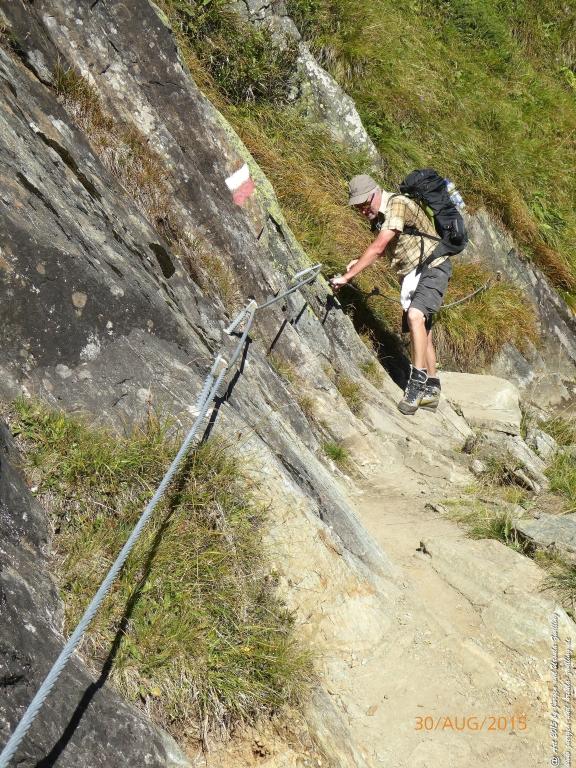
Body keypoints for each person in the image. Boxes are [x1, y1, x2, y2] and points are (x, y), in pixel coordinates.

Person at [330, 174, 452, 415]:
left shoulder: (396, 204)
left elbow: (378, 247)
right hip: (413, 274)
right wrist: (357, 262)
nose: (363, 210)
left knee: (416, 316)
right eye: (358, 207)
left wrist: (348, 276)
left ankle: (416, 385)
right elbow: (393, 248)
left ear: (375, 194)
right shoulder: (383, 216)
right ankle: (432, 388)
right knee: (422, 326)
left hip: (433, 266)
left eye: (365, 204)